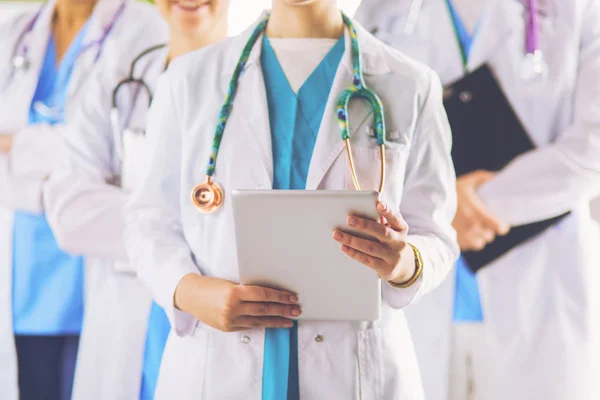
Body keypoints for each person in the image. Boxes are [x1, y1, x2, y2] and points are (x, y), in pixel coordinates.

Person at [123, 0, 460, 398]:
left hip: (356, 369)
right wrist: (190, 291)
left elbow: (436, 235)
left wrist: (405, 262)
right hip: (219, 362)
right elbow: (148, 221)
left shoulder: (410, 84)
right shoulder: (189, 79)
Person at [355, 1, 600, 399]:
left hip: (540, 290)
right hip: (418, 289)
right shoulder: (384, 9)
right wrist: (443, 212)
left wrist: (467, 206)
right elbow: (357, 131)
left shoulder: (579, 8)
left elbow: (593, 145)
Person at [43, 1, 229, 399]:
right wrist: (195, 224)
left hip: (217, 333)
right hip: (126, 329)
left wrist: (135, 212)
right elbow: (70, 213)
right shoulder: (117, 81)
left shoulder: (257, 90)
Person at [0, 0, 166, 399]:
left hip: (95, 264)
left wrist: (18, 148)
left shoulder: (146, 27)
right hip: (23, 275)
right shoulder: (14, 31)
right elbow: (83, 156)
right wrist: (67, 163)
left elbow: (124, 152)